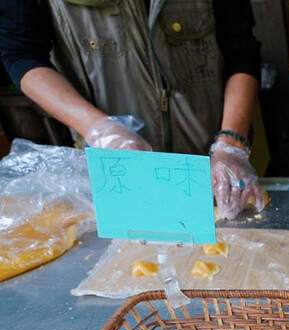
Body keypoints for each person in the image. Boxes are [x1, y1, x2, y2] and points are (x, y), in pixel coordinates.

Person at [0, 0, 264, 219]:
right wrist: (103, 131)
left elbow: (241, 50)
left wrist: (231, 143)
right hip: (117, 174)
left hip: (217, 170)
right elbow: (21, 55)